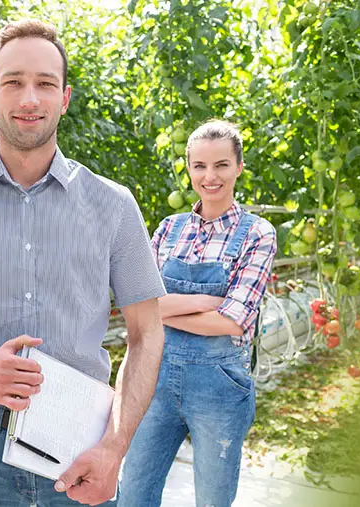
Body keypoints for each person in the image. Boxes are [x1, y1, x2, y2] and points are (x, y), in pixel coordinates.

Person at [0, 20, 166, 507]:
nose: (29, 98)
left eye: (45, 83)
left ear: (65, 98)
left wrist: (115, 447)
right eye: (13, 82)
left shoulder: (114, 205)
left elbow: (147, 334)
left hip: (83, 450)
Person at [116, 120, 277, 507]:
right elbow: (136, 307)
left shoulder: (257, 234)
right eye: (200, 166)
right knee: (133, 492)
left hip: (219, 389)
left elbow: (230, 322)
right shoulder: (168, 229)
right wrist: (206, 301)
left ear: (239, 167)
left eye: (221, 165)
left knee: (212, 500)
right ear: (188, 168)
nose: (210, 177)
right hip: (154, 379)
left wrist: (161, 310)